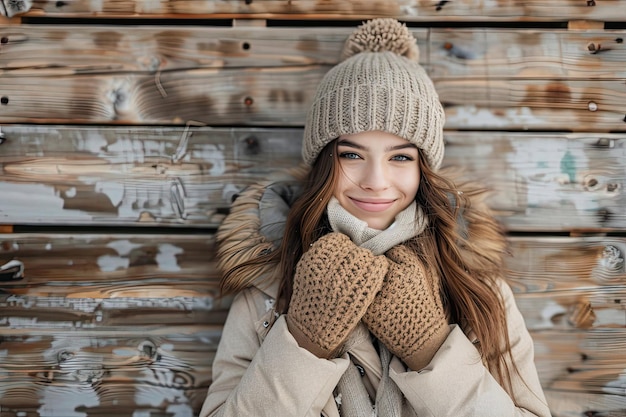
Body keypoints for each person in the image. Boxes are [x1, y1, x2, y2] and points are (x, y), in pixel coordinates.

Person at [199, 18, 551, 417]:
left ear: (424, 169)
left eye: (400, 157)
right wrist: (303, 341)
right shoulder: (267, 284)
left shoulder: (478, 289)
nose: (376, 181)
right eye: (351, 155)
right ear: (323, 163)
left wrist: (432, 348)